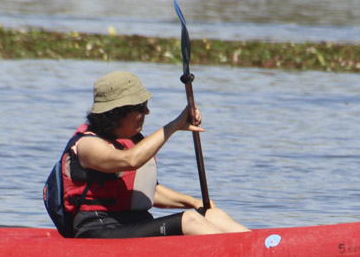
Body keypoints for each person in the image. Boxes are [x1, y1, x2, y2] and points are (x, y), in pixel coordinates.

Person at [57, 70, 249, 238]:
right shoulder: (87, 145)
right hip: (98, 230)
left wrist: (193, 202)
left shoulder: (133, 141)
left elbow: (149, 192)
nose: (147, 111)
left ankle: (262, 248)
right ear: (116, 113)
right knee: (189, 220)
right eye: (140, 107)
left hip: (133, 225)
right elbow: (130, 160)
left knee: (211, 214)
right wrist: (174, 125)